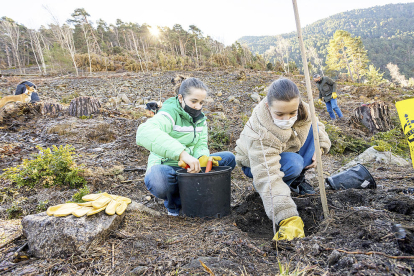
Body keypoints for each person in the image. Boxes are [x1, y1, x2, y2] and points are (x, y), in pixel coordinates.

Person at [235, 78, 331, 241]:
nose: (287, 118)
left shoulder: (302, 109)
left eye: (292, 113)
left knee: (309, 135)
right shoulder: (260, 134)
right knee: (294, 163)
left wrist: (320, 146)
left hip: (284, 149)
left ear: (298, 104)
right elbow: (268, 177)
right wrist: (287, 217)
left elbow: (315, 124)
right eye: (280, 114)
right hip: (256, 165)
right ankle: (275, 191)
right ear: (268, 106)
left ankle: (295, 181)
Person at [136, 76, 236, 216]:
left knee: (228, 159)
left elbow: (201, 143)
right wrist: (182, 154)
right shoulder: (168, 113)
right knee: (159, 178)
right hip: (168, 166)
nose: (198, 106)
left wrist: (202, 158)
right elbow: (144, 132)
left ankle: (196, 193)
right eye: (194, 101)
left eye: (201, 102)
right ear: (181, 98)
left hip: (191, 167)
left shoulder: (201, 119)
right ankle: (175, 206)